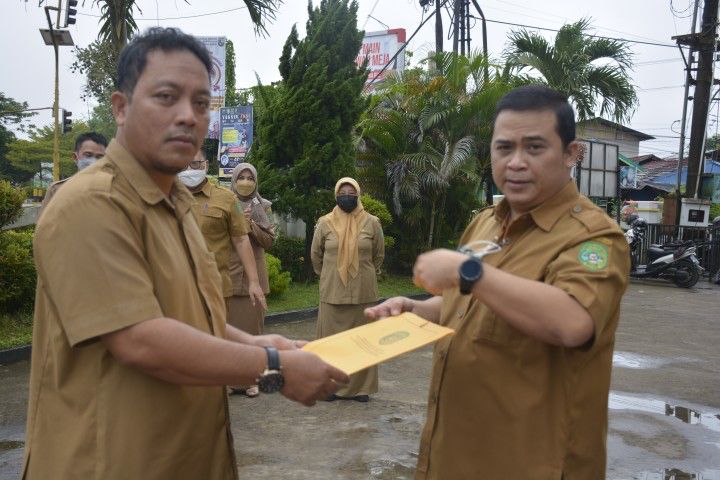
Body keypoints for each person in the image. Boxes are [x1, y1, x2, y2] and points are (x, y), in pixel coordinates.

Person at [23, 27, 348, 480]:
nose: (188, 116)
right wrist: (274, 366)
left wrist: (257, 342)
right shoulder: (90, 204)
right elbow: (140, 339)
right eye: (166, 97)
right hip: (112, 461)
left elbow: (189, 321)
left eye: (200, 103)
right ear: (121, 107)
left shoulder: (177, 204)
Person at [366, 85, 630, 479]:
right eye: (504, 148)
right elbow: (474, 307)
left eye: (535, 148)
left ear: (571, 154)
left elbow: (573, 321)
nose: (516, 163)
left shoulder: (593, 237)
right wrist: (417, 309)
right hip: (455, 454)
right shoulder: (486, 222)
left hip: (529, 463)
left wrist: (467, 271)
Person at [312, 177, 385, 402]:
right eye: (342, 191)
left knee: (362, 340)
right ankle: (330, 386)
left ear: (358, 194)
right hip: (333, 290)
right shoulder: (324, 222)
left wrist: (364, 271)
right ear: (336, 194)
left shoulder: (372, 222)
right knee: (331, 341)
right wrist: (328, 274)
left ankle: (361, 388)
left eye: (351, 192)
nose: (346, 195)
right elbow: (316, 255)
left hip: (362, 290)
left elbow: (378, 255)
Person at [179, 149, 267, 315]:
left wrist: (254, 282)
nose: (189, 170)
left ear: (205, 165)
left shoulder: (226, 198)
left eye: (195, 164)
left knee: (214, 337)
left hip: (215, 289)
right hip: (176, 290)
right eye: (183, 165)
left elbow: (241, 240)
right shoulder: (166, 196)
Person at [227, 162, 276, 397]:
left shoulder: (262, 206)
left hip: (254, 278)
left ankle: (253, 379)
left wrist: (250, 225)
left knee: (253, 332)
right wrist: (236, 221)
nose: (245, 182)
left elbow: (269, 241)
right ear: (234, 180)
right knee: (229, 333)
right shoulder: (224, 203)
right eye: (241, 177)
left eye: (250, 177)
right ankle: (231, 380)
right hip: (228, 274)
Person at [40, 131, 108, 212]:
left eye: (99, 157)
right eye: (88, 155)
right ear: (75, 157)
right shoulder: (57, 190)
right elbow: (45, 223)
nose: (94, 161)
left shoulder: (115, 190)